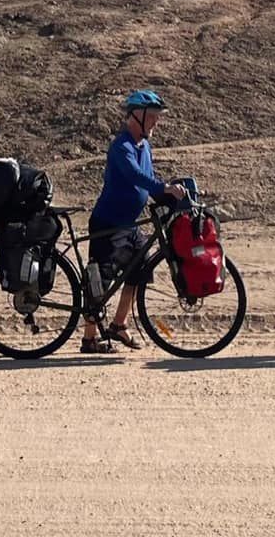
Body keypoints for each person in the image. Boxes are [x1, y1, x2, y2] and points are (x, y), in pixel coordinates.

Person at [79, 90, 188, 354]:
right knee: (99, 282)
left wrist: (170, 193)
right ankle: (90, 338)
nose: (155, 122)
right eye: (152, 116)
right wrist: (163, 187)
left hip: (130, 225)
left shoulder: (144, 146)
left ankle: (119, 324)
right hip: (109, 224)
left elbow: (149, 183)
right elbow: (135, 175)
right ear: (136, 116)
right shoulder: (122, 146)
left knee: (139, 271)